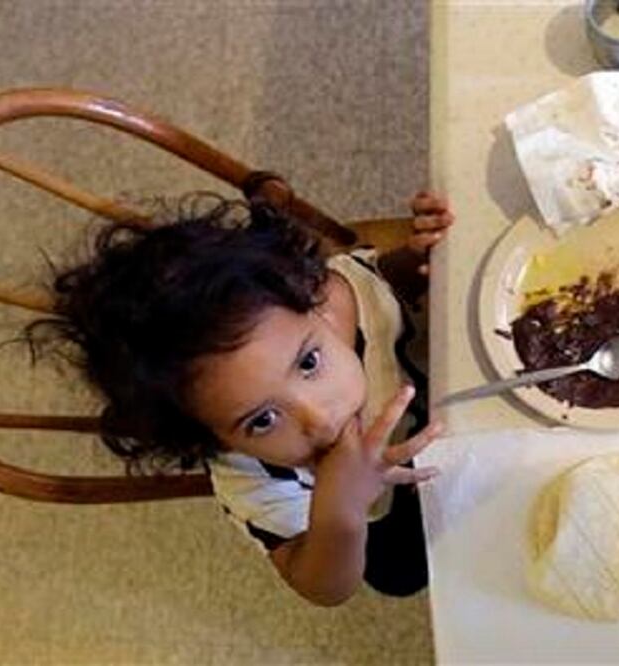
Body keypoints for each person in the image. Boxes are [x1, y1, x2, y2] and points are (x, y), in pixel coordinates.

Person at [25, 176, 454, 606]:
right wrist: (339, 514)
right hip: (379, 519)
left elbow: (385, 287)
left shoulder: (338, 294)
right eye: (262, 420)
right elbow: (323, 588)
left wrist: (413, 263)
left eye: (308, 363)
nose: (319, 418)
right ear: (210, 439)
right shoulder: (252, 477)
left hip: (448, 411)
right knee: (401, 570)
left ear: (313, 301)